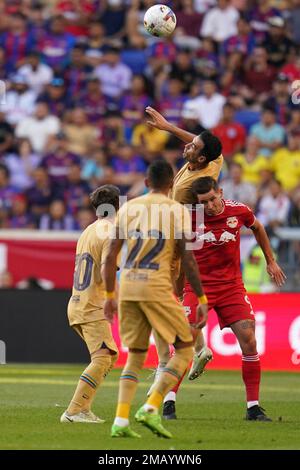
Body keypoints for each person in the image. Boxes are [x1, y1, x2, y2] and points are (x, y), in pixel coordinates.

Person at [163, 176, 286, 421]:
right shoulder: (188, 217)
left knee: (249, 340)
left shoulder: (239, 211)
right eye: (203, 202)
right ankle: (168, 402)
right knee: (183, 343)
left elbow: (258, 228)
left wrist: (271, 261)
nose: (209, 206)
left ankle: (253, 407)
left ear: (219, 192)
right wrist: (177, 290)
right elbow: (179, 256)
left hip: (231, 288)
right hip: (197, 288)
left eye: (212, 199)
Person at [103, 160, 208, 439]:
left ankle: (120, 421)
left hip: (128, 288)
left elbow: (111, 255)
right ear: (172, 184)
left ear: (146, 183)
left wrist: (109, 295)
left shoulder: (128, 208)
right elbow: (188, 258)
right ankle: (151, 407)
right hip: (158, 288)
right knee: (186, 350)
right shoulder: (177, 211)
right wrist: (201, 297)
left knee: (135, 357)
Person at [145, 106, 223, 401]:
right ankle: (200, 348)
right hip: (189, 242)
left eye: (194, 147)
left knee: (161, 301)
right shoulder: (211, 163)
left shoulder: (186, 188)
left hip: (177, 244)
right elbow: (204, 145)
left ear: (200, 158)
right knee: (174, 301)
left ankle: (173, 359)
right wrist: (169, 127)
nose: (187, 145)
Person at [60, 185, 120, 423]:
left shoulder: (88, 231)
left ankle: (82, 408)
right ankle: (74, 411)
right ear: (118, 205)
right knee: (103, 358)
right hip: (92, 304)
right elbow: (107, 266)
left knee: (107, 356)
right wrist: (111, 296)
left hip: (77, 301)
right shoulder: (111, 231)